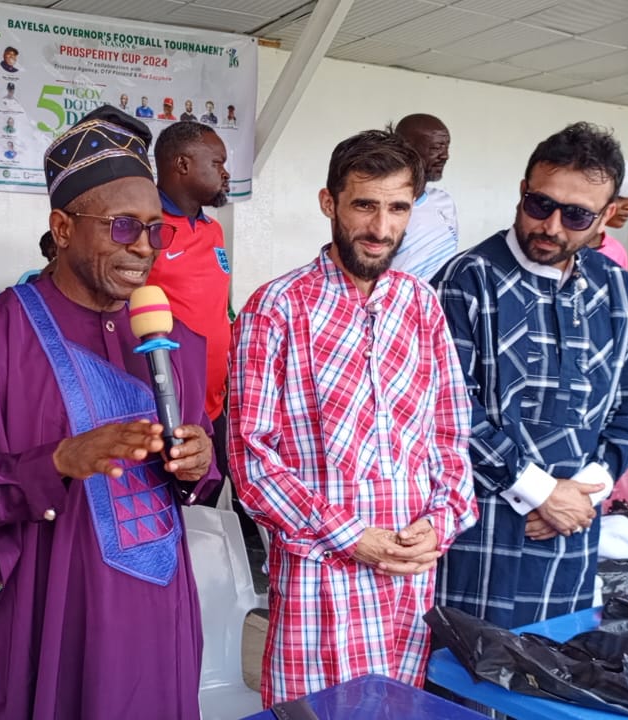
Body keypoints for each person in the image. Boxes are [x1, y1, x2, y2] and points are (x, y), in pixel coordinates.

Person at [0, 105, 219, 719]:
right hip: (49, 618)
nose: (143, 247)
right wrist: (59, 462)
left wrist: (200, 463)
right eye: (123, 227)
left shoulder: (175, 339)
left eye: (156, 230)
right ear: (63, 228)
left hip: (158, 615)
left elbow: (196, 477)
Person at [229, 130, 476, 704]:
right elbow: (251, 460)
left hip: (408, 585)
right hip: (320, 584)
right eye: (365, 205)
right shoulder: (277, 308)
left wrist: (441, 522)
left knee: (397, 710)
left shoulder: (421, 305)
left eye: (398, 208)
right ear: (329, 202)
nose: (381, 228)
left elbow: (450, 437)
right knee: (316, 714)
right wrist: (351, 537)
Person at [433, 122, 628, 629]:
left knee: (555, 664)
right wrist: (539, 491)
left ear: (606, 216)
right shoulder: (467, 280)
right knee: (464, 667)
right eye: (540, 204)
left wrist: (587, 490)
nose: (551, 226)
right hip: (480, 533)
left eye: (576, 215)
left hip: (572, 531)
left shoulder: (618, 292)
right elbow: (446, 405)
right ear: (522, 191)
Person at [148, 121, 232, 480]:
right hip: (167, 409)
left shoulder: (214, 229)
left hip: (215, 403)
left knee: (212, 496)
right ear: (182, 164)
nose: (225, 174)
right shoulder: (147, 229)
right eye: (217, 163)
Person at [389, 113, 457, 279]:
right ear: (405, 149)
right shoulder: (382, 210)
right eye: (436, 148)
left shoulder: (445, 203)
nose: (445, 155)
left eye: (446, 147)